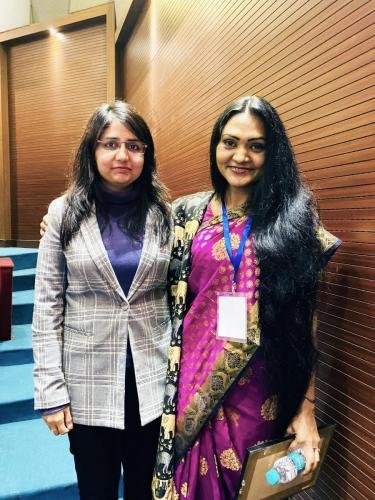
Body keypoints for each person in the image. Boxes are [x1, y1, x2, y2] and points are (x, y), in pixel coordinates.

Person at [151, 95, 341, 499]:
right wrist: (63, 227)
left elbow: (306, 322)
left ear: (274, 153)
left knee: (252, 487)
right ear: (216, 145)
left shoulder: (293, 220)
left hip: (260, 393)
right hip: (189, 386)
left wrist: (306, 408)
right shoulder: (186, 213)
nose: (241, 156)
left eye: (256, 146)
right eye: (230, 142)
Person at [32, 101, 173, 500]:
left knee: (149, 490)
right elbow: (46, 307)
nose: (122, 155)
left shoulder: (166, 214)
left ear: (146, 154)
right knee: (97, 489)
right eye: (110, 144)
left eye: (134, 145)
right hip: (87, 382)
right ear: (91, 151)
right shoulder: (63, 213)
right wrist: (50, 391)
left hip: (152, 381)